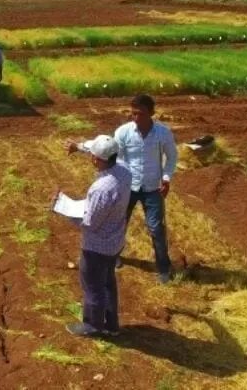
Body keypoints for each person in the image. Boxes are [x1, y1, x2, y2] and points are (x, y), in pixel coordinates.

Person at [67, 94, 178, 284]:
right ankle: (114, 256)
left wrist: (166, 178)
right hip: (127, 186)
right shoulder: (124, 132)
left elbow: (172, 157)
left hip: (153, 188)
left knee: (156, 228)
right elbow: (104, 147)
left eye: (140, 114)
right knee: (119, 223)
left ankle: (163, 267)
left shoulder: (163, 133)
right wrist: (78, 146)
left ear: (151, 113)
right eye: (133, 113)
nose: (136, 118)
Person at [58, 135, 132, 337]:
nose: (90, 158)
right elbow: (94, 147)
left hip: (97, 246)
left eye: (92, 156)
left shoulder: (101, 189)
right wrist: (79, 147)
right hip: (115, 242)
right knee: (107, 282)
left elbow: (90, 224)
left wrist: (62, 209)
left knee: (92, 286)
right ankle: (111, 324)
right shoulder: (124, 170)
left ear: (97, 160)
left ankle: (92, 326)